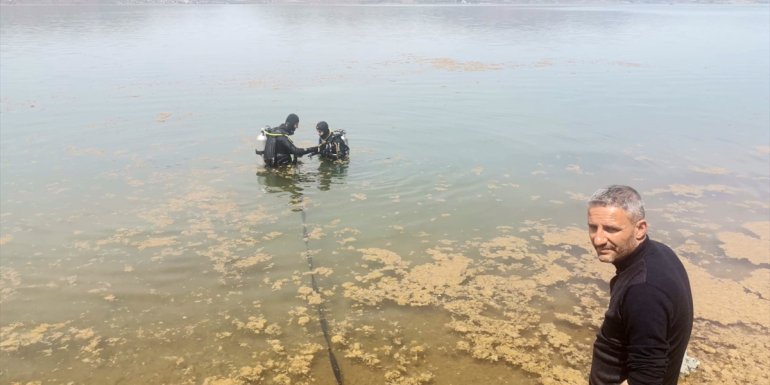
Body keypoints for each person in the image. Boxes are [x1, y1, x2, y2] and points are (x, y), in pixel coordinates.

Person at [587, 185, 693, 385]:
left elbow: (647, 377)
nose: (598, 239)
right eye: (593, 227)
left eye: (611, 229)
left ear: (640, 228)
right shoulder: (661, 253)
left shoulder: (643, 290)